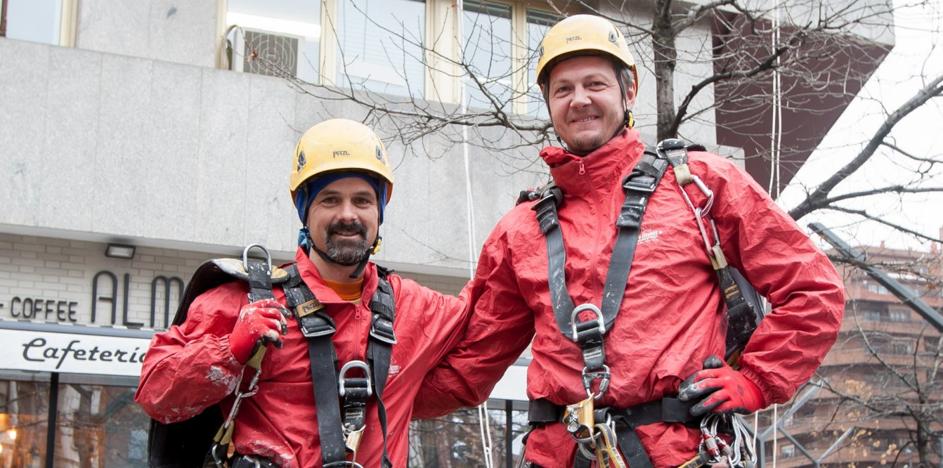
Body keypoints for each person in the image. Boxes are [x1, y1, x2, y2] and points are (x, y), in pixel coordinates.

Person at [413, 14, 845, 468]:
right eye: (563, 89)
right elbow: (467, 368)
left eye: (595, 84)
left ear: (628, 90)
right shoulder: (520, 232)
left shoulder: (698, 185)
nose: (579, 100)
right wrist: (354, 399)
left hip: (682, 454)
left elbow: (814, 291)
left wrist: (756, 380)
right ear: (548, 103)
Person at [136, 119, 468, 468]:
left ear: (379, 210)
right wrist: (229, 351)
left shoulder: (414, 307)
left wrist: (527, 221)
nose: (348, 215)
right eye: (330, 199)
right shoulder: (245, 300)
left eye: (362, 200)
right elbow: (156, 393)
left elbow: (491, 317)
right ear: (305, 210)